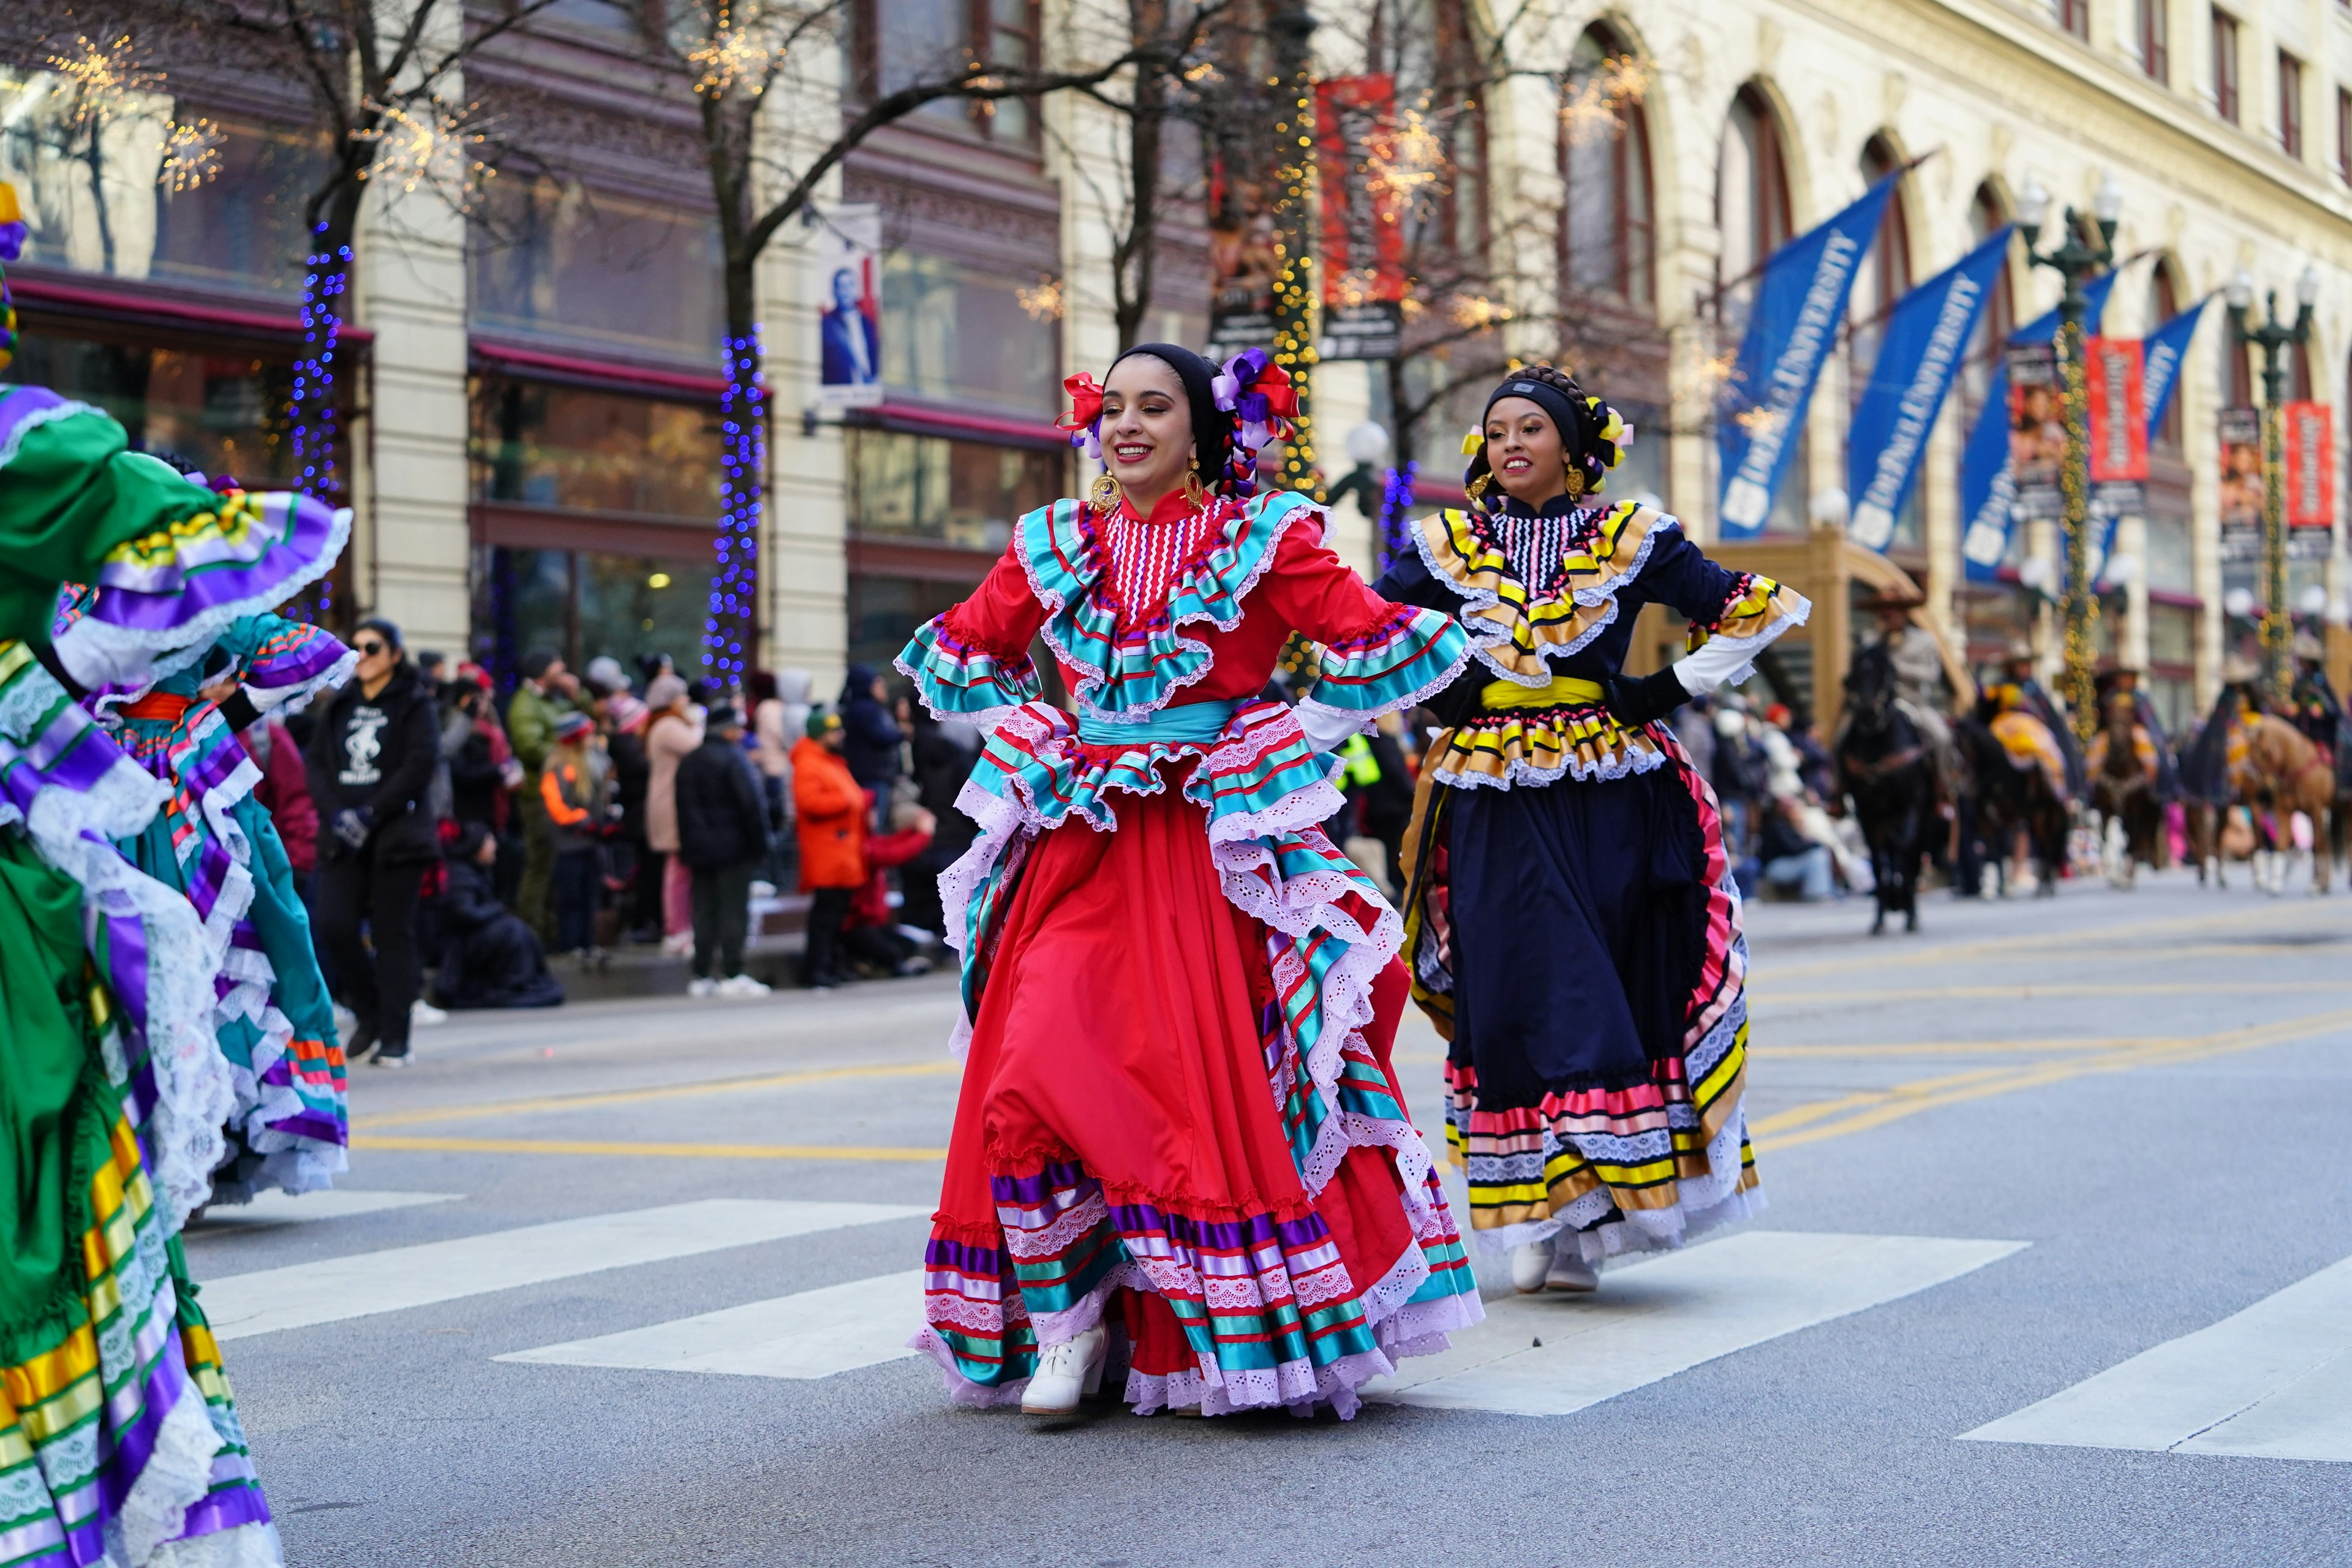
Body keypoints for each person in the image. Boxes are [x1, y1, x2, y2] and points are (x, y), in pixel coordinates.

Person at [894, 342, 1483, 1418]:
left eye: (1153, 407)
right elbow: (963, 648)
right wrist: (1032, 734)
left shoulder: (1262, 535)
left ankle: (1164, 1324)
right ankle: (1065, 1326)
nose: (1125, 425)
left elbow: (1371, 637)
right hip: (1079, 841)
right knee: (1027, 1062)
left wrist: (1293, 733)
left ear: (1204, 430)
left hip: (1206, 855)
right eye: (1111, 406)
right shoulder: (1059, 538)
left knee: (1186, 1097)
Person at [1373, 364, 1809, 1295]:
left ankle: (1589, 1214)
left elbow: (1756, 608)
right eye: (1497, 433)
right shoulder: (1441, 545)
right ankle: (1531, 1207)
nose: (1511, 446)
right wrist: (1437, 689)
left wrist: (1662, 689)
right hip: (1487, 785)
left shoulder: (1627, 536)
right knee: (1506, 983)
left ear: (1573, 449)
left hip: (1610, 786)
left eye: (1530, 429)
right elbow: (1366, 635)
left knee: (1600, 980)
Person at [0, 360, 336, 1562]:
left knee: (257, 927)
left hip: (136, 804)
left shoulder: (33, 467)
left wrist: (191, 681)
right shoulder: (36, 471)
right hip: (94, 814)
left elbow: (297, 645)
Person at [100, 606, 356, 1199]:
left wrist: (209, 718)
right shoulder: (174, 585)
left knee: (201, 953)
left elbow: (301, 656)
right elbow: (293, 660)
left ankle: (196, 1146)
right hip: (131, 779)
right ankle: (161, 1146)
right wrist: (217, 717)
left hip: (160, 783)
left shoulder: (155, 587)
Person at [307, 619, 443, 1067]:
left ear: (395, 655)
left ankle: (395, 1034)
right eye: (357, 647)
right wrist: (338, 815)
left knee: (392, 936)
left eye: (373, 647)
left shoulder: (414, 703)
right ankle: (367, 1013)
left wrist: (372, 812)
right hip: (341, 839)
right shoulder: (339, 703)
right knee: (333, 925)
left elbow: (420, 763)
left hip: (396, 839)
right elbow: (318, 766)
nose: (362, 656)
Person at [674, 700, 774, 997]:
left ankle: (701, 973)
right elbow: (752, 806)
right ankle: (733, 972)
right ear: (728, 730)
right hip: (734, 848)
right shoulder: (733, 759)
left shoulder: (689, 761)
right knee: (733, 911)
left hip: (699, 849)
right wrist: (761, 844)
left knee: (703, 911)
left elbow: (681, 809)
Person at [432, 821, 565, 1009]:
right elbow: (465, 914)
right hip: (460, 948)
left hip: (473, 939)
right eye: (489, 840)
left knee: (517, 928)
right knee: (510, 930)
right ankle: (515, 983)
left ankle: (522, 982)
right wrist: (498, 910)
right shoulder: (461, 875)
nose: (494, 845)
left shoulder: (477, 871)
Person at [791, 707, 864, 989]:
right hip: (828, 852)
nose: (840, 735)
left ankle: (830, 966)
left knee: (835, 916)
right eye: (834, 731)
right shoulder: (809, 763)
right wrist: (846, 801)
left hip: (839, 850)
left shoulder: (829, 761)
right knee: (825, 917)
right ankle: (817, 970)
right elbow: (809, 802)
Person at [506, 649, 573, 943]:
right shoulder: (526, 706)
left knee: (551, 863)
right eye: (558, 669)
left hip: (556, 793)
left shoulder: (551, 700)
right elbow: (531, 747)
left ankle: (547, 929)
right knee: (540, 863)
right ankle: (531, 930)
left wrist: (577, 693)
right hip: (538, 796)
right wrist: (569, 760)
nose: (564, 674)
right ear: (543, 673)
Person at [540, 709, 611, 961]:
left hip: (589, 842)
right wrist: (581, 820)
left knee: (589, 896)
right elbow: (556, 806)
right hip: (570, 843)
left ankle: (587, 941)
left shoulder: (592, 761)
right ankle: (570, 942)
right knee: (571, 897)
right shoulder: (560, 766)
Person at [643, 671, 703, 954]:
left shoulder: (662, 724)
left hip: (670, 802)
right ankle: (676, 929)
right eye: (682, 695)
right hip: (671, 804)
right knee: (678, 869)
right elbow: (697, 746)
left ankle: (679, 927)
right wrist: (699, 720)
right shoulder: (668, 725)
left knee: (679, 869)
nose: (687, 700)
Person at [839, 662, 905, 823]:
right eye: (877, 683)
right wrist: (904, 733)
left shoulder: (864, 707)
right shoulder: (864, 709)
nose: (882, 687)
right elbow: (881, 736)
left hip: (872, 774)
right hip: (872, 775)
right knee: (873, 821)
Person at [820, 264, 880, 386]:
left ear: (857, 289)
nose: (846, 291)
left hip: (869, 390)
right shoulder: (826, 325)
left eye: (850, 285)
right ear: (834, 291)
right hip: (840, 392)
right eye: (841, 286)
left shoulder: (869, 324)